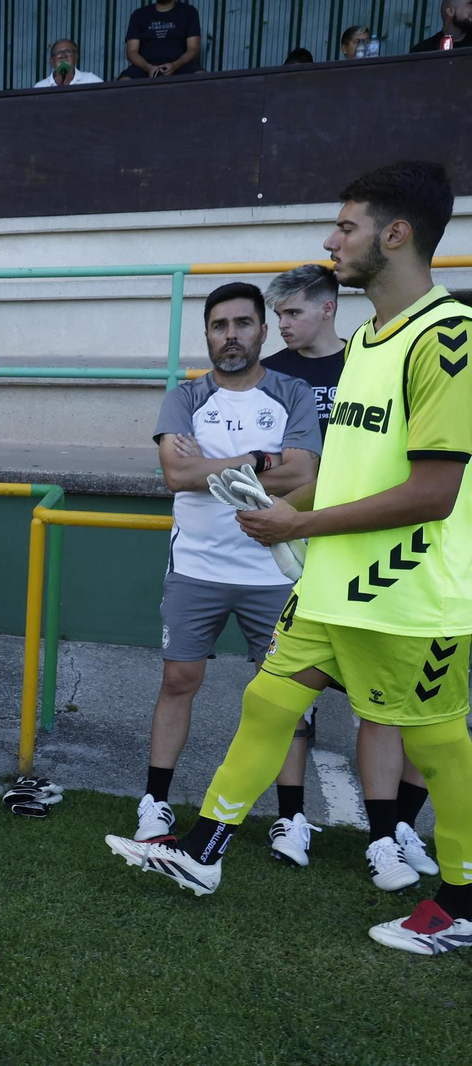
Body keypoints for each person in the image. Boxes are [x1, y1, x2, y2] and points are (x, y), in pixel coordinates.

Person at [105, 160, 472, 955]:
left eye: (345, 226)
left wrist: (297, 522)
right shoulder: (369, 340)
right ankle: (203, 850)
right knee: (270, 704)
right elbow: (343, 470)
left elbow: (434, 492)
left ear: (394, 234)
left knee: (439, 744)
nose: (331, 241)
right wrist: (289, 507)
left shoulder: (449, 339)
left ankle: (463, 902)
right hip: (334, 585)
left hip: (411, 596)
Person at [259, 267, 441, 885]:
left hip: (403, 560)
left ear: (328, 308)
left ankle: (395, 831)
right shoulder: (275, 375)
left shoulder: (383, 360)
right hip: (311, 553)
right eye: (278, 315)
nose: (282, 325)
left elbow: (410, 473)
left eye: (292, 312)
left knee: (408, 708)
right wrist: (287, 502)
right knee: (284, 697)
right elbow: (294, 468)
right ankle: (289, 818)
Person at [138, 283, 321, 860]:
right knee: (178, 680)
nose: (232, 335)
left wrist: (212, 467)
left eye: (243, 323)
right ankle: (155, 802)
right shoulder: (185, 397)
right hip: (196, 567)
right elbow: (176, 475)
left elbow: (303, 474)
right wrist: (263, 460)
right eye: (220, 326)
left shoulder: (291, 392)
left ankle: (291, 818)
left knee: (285, 696)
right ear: (208, 334)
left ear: (263, 331)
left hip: (274, 571)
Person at [117, 1, 203, 79]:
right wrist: (148, 67)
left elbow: (193, 49)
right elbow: (132, 52)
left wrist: (175, 65)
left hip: (181, 65)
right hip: (144, 68)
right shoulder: (139, 15)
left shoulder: (188, 12)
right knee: (124, 82)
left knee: (202, 79)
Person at [35, 38, 104, 86]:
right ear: (52, 61)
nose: (63, 56)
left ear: (76, 58)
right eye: (59, 53)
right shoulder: (41, 86)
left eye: (68, 52)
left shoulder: (90, 80)